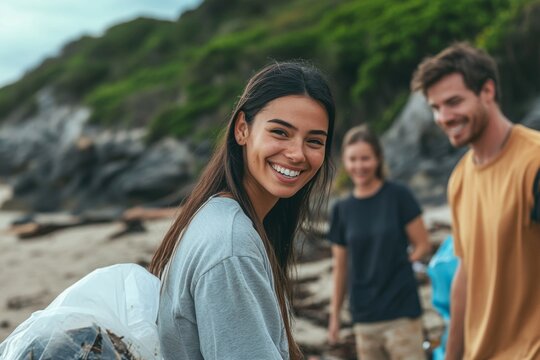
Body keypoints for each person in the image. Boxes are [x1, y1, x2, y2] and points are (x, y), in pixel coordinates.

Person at [149, 61, 335, 360]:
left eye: (314, 141)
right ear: (242, 129)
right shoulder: (233, 246)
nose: (297, 153)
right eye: (280, 132)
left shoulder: (216, 216)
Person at [411, 42, 540, 359]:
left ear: (487, 91)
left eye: (453, 102)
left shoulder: (534, 163)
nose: (444, 117)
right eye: (435, 107)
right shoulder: (460, 179)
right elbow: (464, 276)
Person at [327, 125, 431, 359]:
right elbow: (340, 267)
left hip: (402, 312)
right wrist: (334, 317)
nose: (359, 166)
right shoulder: (342, 210)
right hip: (364, 316)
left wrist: (399, 263)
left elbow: (423, 245)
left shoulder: (398, 196)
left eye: (365, 158)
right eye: (353, 159)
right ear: (345, 161)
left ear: (378, 158)